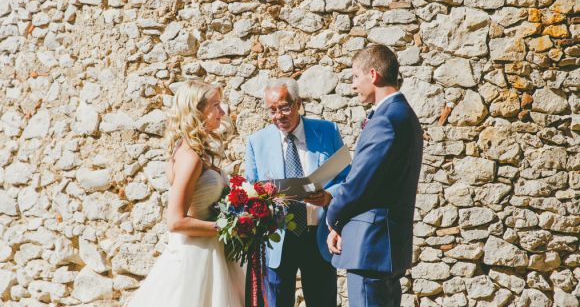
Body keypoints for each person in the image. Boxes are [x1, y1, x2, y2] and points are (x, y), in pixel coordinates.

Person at [127, 80, 245, 307]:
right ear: (197, 110)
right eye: (215, 105)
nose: (222, 112)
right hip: (196, 257)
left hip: (210, 252)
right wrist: (230, 227)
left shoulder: (191, 149)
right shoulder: (190, 157)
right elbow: (176, 221)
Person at [326, 45, 423, 307]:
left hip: (370, 247)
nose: (352, 85)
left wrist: (333, 218)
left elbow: (359, 183)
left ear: (373, 74)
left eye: (356, 77)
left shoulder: (385, 119)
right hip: (385, 246)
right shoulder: (404, 115)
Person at [244, 78, 350, 307]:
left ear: (298, 103)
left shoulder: (327, 131)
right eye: (272, 110)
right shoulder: (256, 142)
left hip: (319, 234)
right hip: (278, 237)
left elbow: (347, 178)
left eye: (284, 107)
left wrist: (329, 195)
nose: (279, 116)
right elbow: (251, 189)